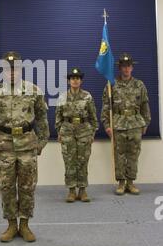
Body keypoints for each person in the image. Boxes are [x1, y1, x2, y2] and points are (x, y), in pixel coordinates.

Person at [0, 51, 49, 242]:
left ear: (21, 70)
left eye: (15, 69)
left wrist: (42, 141)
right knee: (6, 186)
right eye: (8, 69)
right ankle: (11, 225)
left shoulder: (34, 91)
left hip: (27, 145)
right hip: (4, 146)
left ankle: (25, 224)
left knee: (27, 186)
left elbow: (42, 118)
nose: (11, 72)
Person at [101, 53, 151, 195]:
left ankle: (131, 182)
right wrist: (106, 125)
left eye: (128, 66)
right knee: (119, 154)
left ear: (132, 68)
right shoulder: (112, 85)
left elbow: (144, 105)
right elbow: (106, 106)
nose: (126, 69)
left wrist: (146, 123)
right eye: (123, 66)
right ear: (120, 68)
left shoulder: (139, 85)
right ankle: (121, 183)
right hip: (118, 123)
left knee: (133, 154)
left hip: (135, 123)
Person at [55, 67, 98, 203]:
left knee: (83, 161)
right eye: (72, 78)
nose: (75, 80)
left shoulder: (87, 96)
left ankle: (83, 190)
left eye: (77, 78)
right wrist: (59, 132)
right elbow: (58, 117)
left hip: (84, 131)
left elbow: (93, 116)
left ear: (81, 81)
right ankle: (72, 190)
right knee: (69, 161)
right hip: (67, 131)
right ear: (69, 81)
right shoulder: (62, 97)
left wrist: (92, 132)